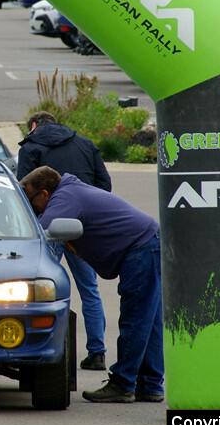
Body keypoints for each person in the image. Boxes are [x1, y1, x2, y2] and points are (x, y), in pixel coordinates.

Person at [21, 166, 163, 403]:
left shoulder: (65, 197)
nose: (30, 205)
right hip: (146, 243)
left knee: (136, 318)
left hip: (140, 249)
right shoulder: (71, 190)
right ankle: (150, 384)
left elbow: (39, 235)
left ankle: (123, 384)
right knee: (150, 319)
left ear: (44, 194)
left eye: (29, 198)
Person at [17, 111, 111, 371]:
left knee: (40, 287)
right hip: (82, 227)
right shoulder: (85, 143)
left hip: (48, 227)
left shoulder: (31, 147)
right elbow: (104, 183)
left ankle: (35, 347)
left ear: (33, 126)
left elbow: (23, 193)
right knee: (89, 290)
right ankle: (97, 351)